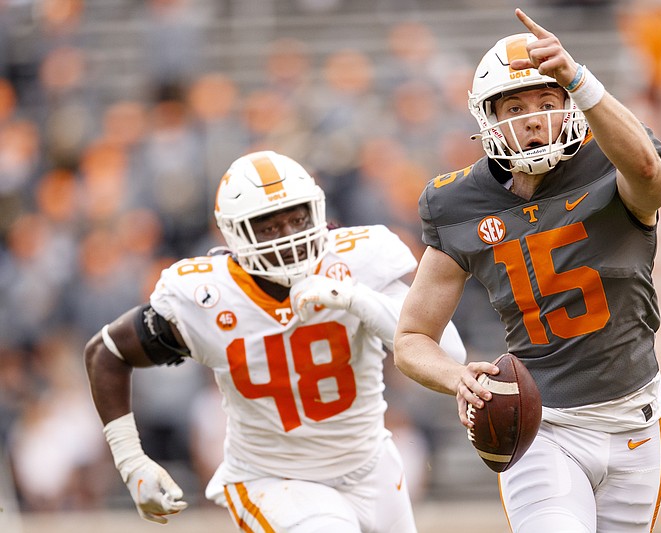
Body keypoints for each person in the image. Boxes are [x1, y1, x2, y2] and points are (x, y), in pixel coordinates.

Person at [84, 150, 467, 532]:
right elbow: (106, 352)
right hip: (274, 478)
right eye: (268, 228)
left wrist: (355, 299)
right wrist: (131, 461)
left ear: (316, 211)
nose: (288, 238)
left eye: (297, 219)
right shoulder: (206, 296)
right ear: (235, 232)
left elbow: (448, 354)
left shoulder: (358, 260)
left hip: (371, 463)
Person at [394, 8, 661, 533]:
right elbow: (411, 338)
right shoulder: (458, 202)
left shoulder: (613, 158)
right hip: (543, 427)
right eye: (516, 106)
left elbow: (650, 176)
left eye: (548, 101)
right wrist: (458, 377)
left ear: (571, 105)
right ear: (488, 116)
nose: (534, 117)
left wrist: (578, 76)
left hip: (636, 420)